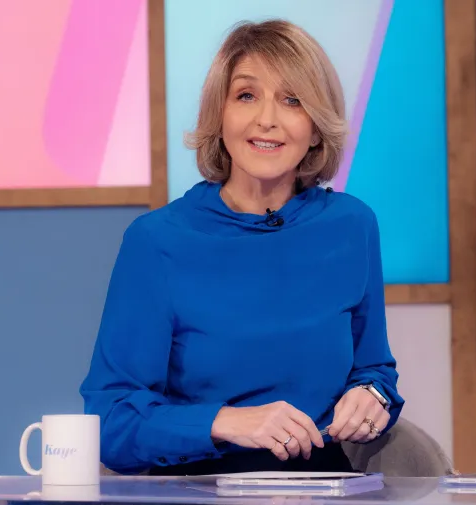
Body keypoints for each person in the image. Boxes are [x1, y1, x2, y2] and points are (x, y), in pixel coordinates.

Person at [80, 19, 404, 476]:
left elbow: (376, 370)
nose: (266, 118)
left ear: (315, 128)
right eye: (247, 95)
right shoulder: (157, 241)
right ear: (220, 115)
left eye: (292, 100)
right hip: (198, 486)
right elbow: (110, 420)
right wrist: (226, 422)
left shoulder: (352, 226)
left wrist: (371, 396)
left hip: (322, 486)